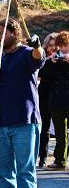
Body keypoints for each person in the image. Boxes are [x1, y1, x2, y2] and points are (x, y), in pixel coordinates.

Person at [0, 18, 45, 187]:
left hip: (25, 122)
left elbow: (38, 59)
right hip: (0, 124)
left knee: (25, 173)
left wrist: (37, 46)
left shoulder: (26, 53)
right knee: (2, 174)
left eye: (2, 33)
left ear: (14, 33)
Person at [45, 31, 69, 170]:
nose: (63, 49)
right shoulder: (55, 59)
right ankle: (59, 160)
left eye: (66, 46)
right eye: (61, 46)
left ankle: (62, 158)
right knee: (60, 133)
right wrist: (52, 62)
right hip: (57, 101)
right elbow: (45, 78)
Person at [37, 32, 59, 167]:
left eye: (55, 45)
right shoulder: (43, 60)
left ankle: (60, 157)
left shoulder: (64, 58)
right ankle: (42, 158)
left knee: (60, 128)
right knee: (44, 128)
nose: (53, 48)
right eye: (50, 45)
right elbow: (38, 74)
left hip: (59, 97)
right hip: (44, 95)